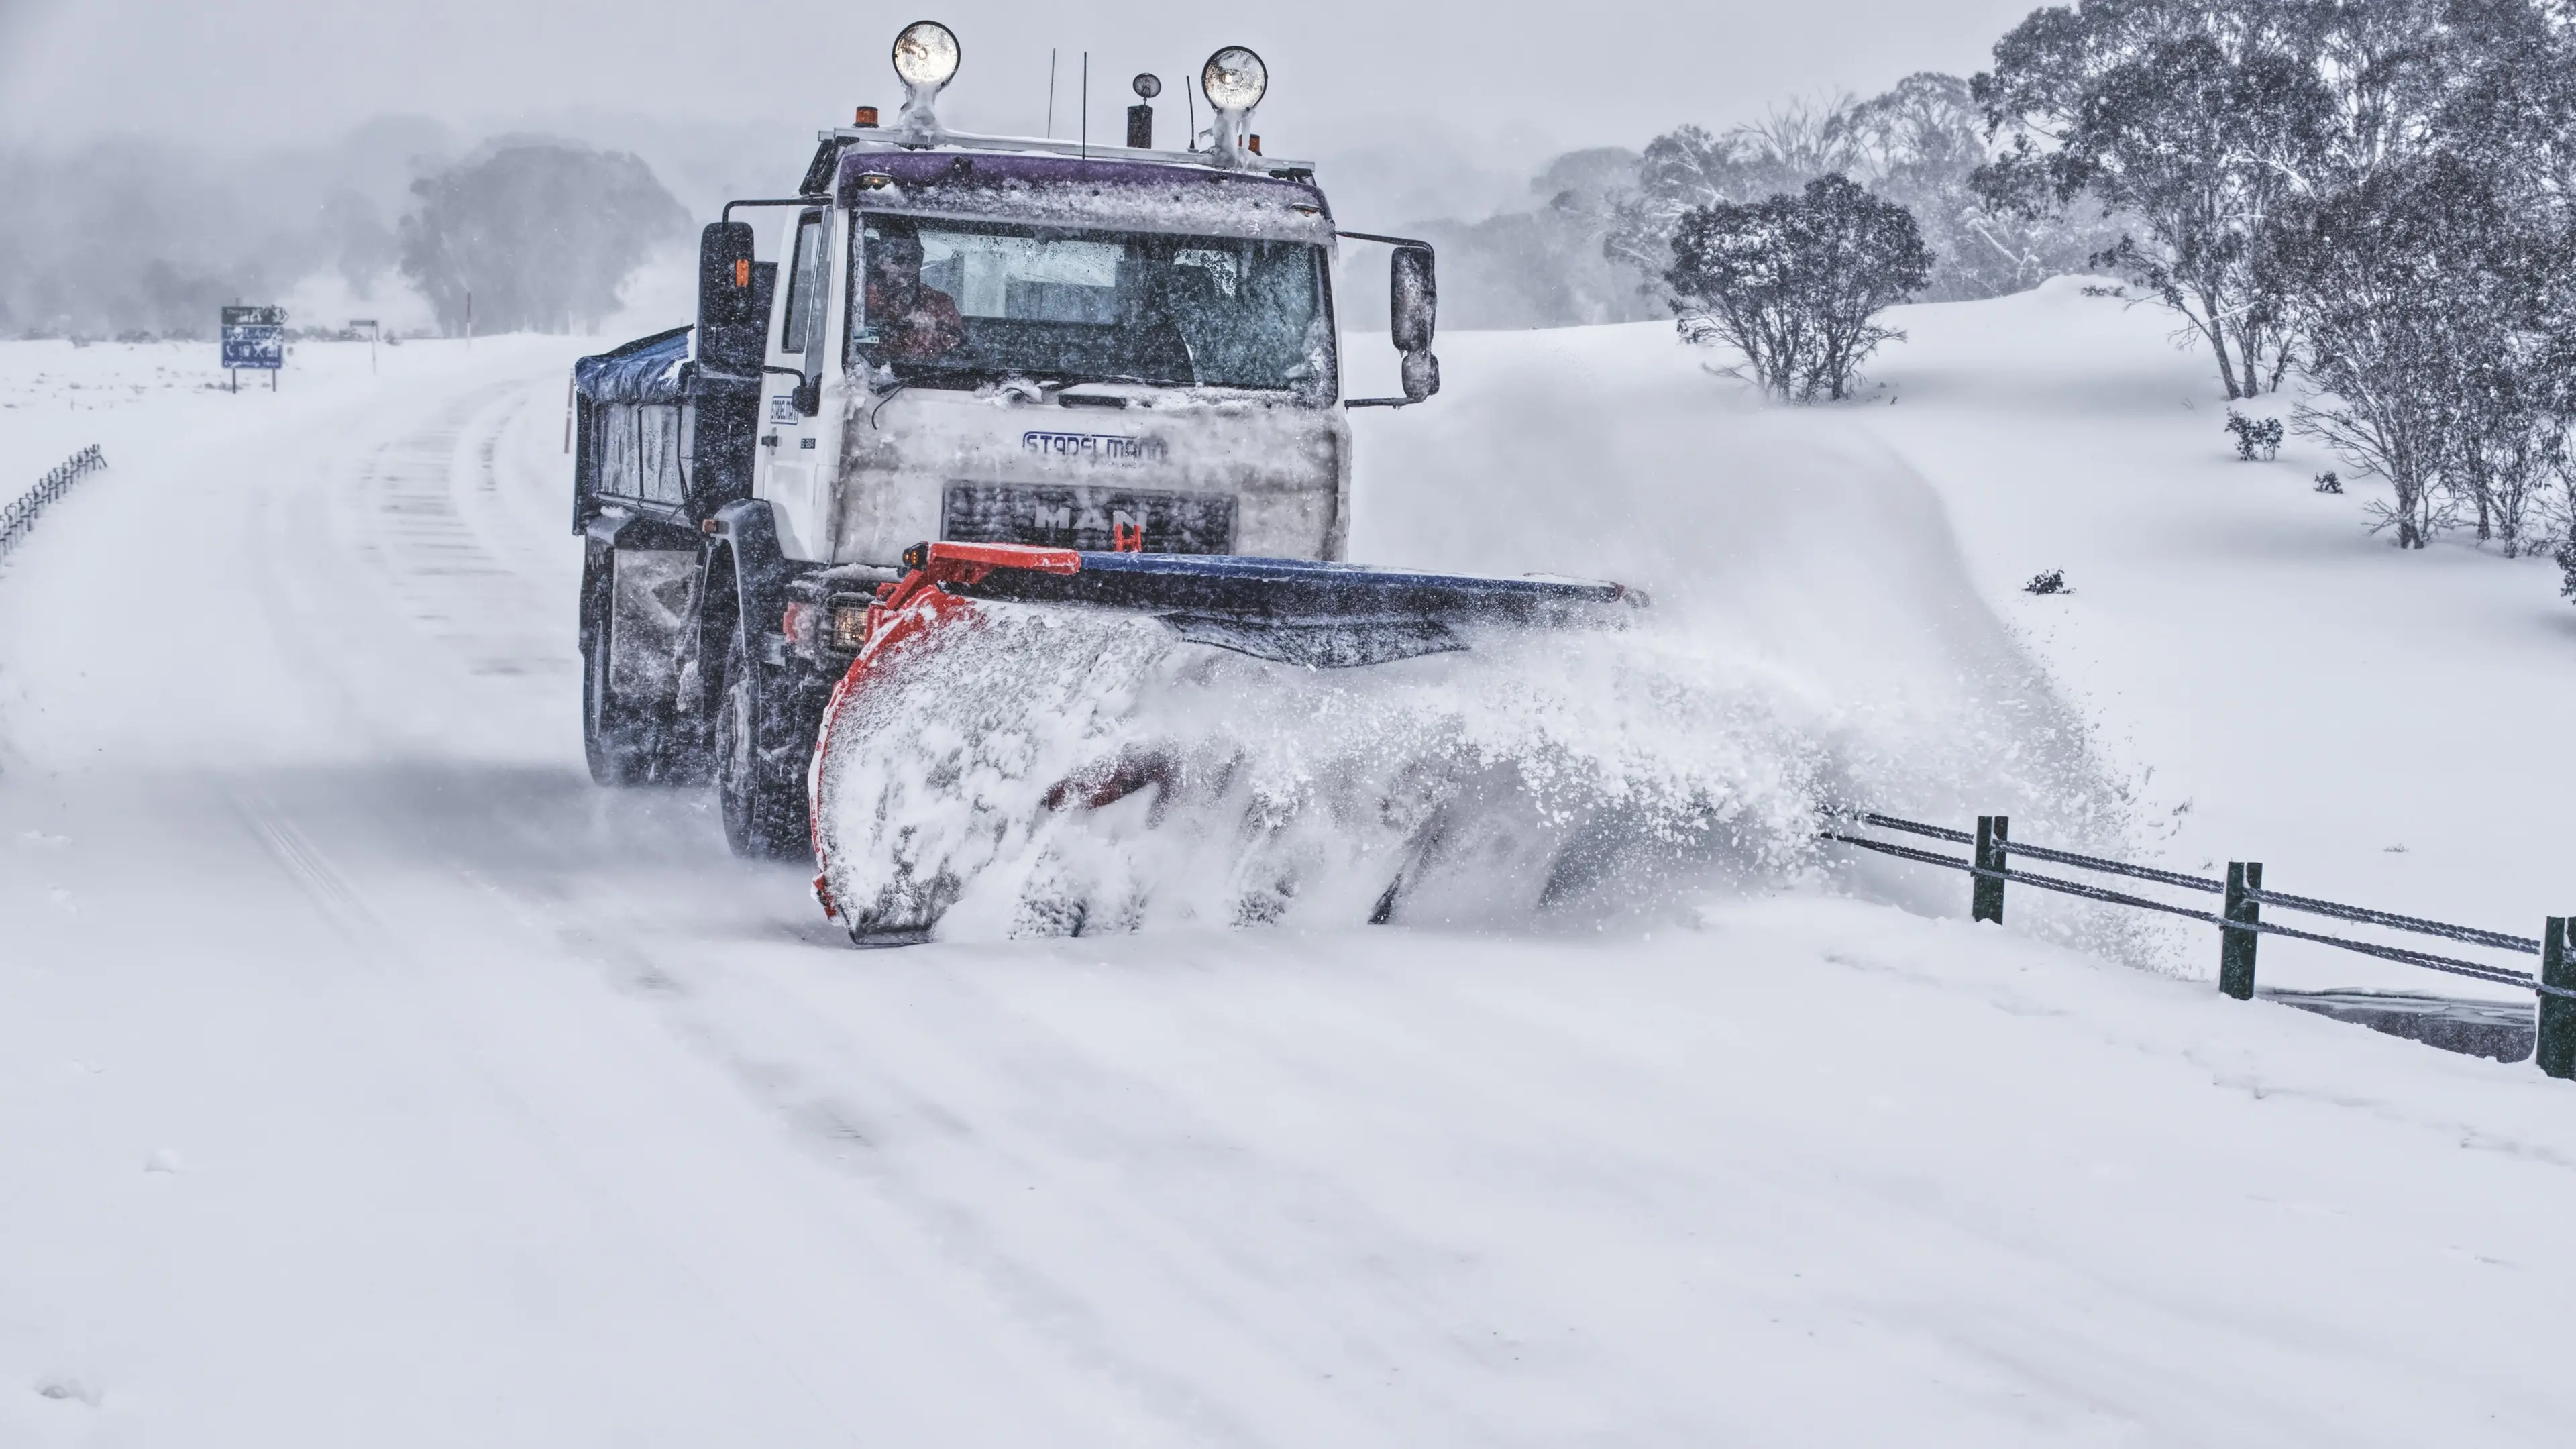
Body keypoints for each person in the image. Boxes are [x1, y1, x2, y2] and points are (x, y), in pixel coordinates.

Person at [863, 232, 965, 361]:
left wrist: (934, 328)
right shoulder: (862, 301)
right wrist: (896, 326)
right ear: (881, 262)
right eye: (899, 260)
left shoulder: (940, 303)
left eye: (914, 259)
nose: (907, 267)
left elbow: (959, 350)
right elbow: (857, 343)